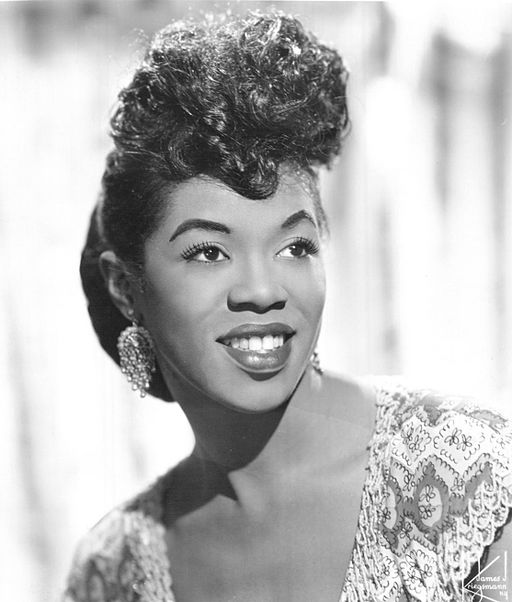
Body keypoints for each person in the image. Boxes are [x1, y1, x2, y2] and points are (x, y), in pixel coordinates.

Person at [64, 10, 512, 601]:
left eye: (295, 246)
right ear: (125, 286)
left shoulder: (471, 473)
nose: (263, 289)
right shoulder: (111, 571)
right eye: (209, 252)